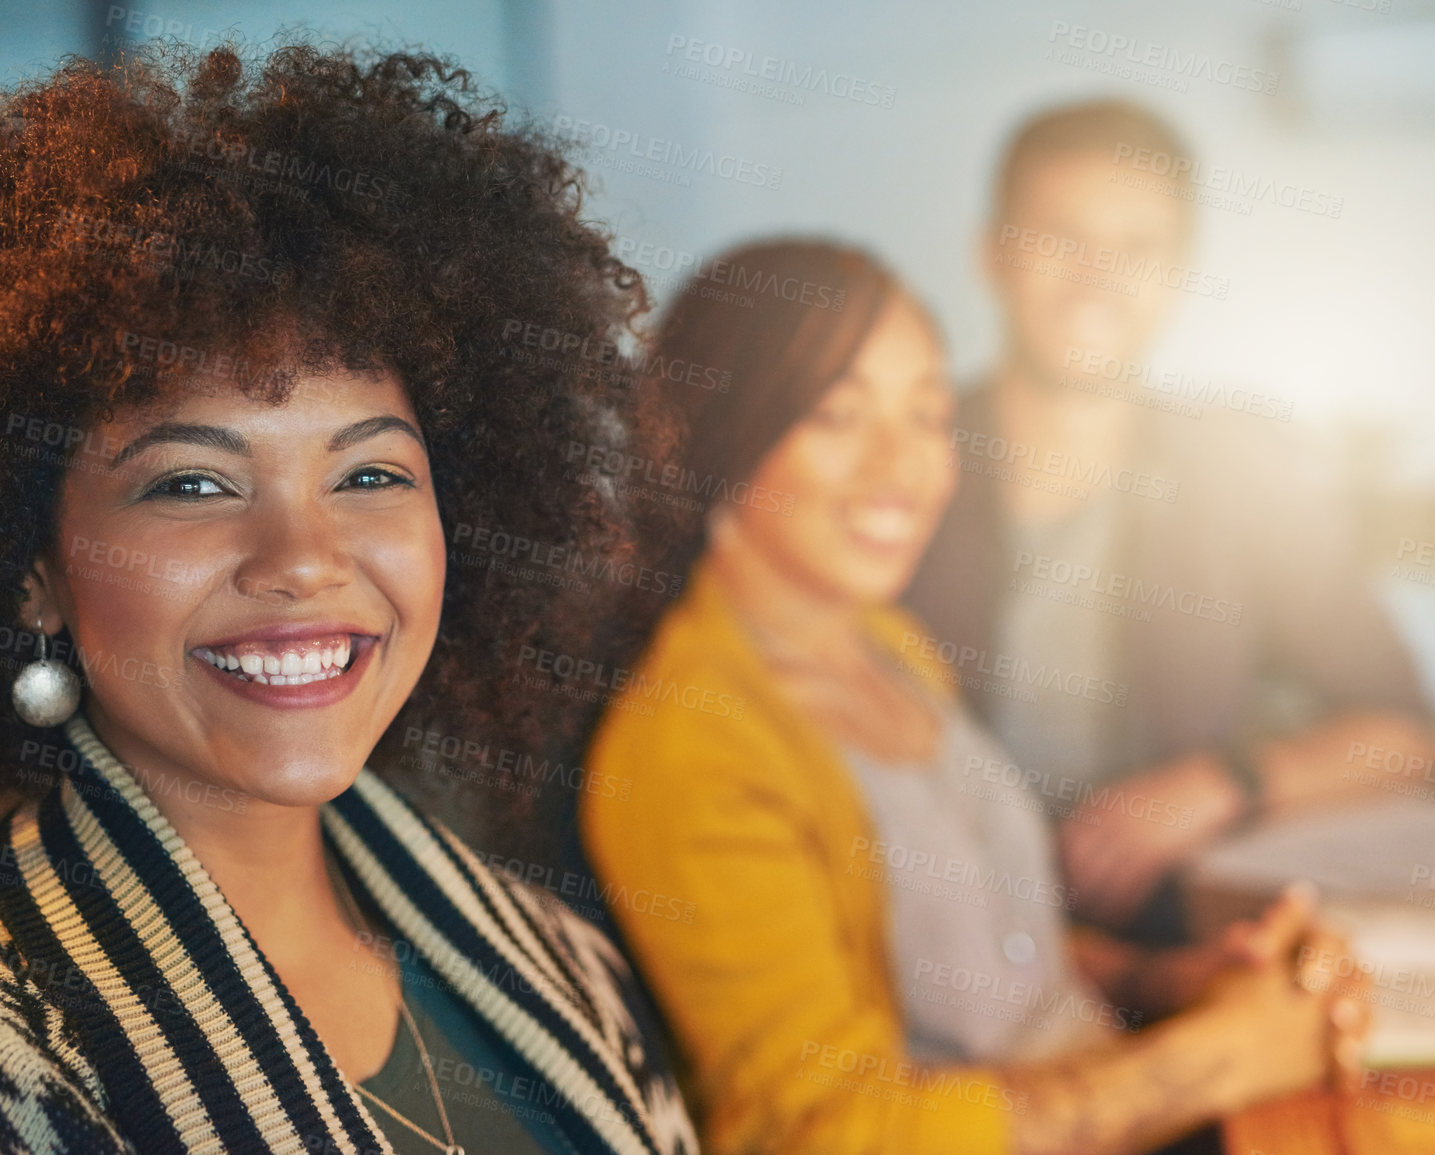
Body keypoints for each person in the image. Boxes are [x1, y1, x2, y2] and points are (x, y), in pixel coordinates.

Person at [0, 41, 698, 1155]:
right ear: (28, 564)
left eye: (370, 474)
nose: (302, 556)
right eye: (193, 484)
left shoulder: (559, 962)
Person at [580, 239, 1367, 1155]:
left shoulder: (886, 642)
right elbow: (822, 1134)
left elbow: (999, 950)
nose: (902, 466)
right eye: (838, 415)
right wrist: (1217, 1058)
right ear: (721, 436)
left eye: (926, 414)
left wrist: (1182, 980)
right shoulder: (690, 751)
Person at [903, 99, 1435, 935]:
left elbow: (1403, 734)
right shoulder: (899, 457)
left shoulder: (1243, 472)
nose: (1096, 279)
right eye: (1062, 238)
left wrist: (1223, 782)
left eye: (1135, 248)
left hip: (1180, 929)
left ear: (1180, 270)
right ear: (993, 254)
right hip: (927, 924)